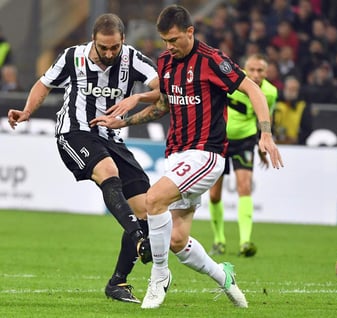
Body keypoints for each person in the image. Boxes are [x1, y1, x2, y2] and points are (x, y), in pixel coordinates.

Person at [90, 4, 283, 309]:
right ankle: (224, 277)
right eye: (165, 40)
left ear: (190, 32)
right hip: (177, 155)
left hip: (206, 155)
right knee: (177, 241)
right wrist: (126, 117)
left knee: (153, 200)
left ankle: (159, 277)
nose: (169, 46)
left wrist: (266, 133)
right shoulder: (166, 61)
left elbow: (253, 90)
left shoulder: (212, 60)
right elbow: (164, 104)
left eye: (175, 39)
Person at [7, 13, 159, 304]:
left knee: (148, 206)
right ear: (94, 40)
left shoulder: (132, 58)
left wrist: (137, 98)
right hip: (75, 133)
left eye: (115, 47)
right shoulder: (71, 57)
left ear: (122, 41)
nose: (110, 53)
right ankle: (139, 238)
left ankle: (118, 282)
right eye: (104, 48)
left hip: (112, 138)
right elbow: (44, 83)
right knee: (108, 170)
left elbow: (161, 88)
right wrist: (26, 111)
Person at [208, 53, 278, 257]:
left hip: (245, 141)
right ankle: (219, 240)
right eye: (252, 70)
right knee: (214, 194)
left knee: (245, 187)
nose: (256, 75)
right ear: (244, 70)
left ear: (267, 72)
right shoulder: (231, 82)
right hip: (219, 139)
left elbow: (265, 116)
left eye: (260, 70)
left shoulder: (271, 92)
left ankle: (245, 241)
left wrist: (262, 142)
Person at [273, 76, 313, 145]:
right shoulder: (276, 104)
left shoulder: (303, 107)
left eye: (294, 89)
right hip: (275, 141)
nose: (291, 92)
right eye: (289, 89)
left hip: (295, 144)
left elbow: (307, 129)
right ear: (284, 88)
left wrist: (297, 139)